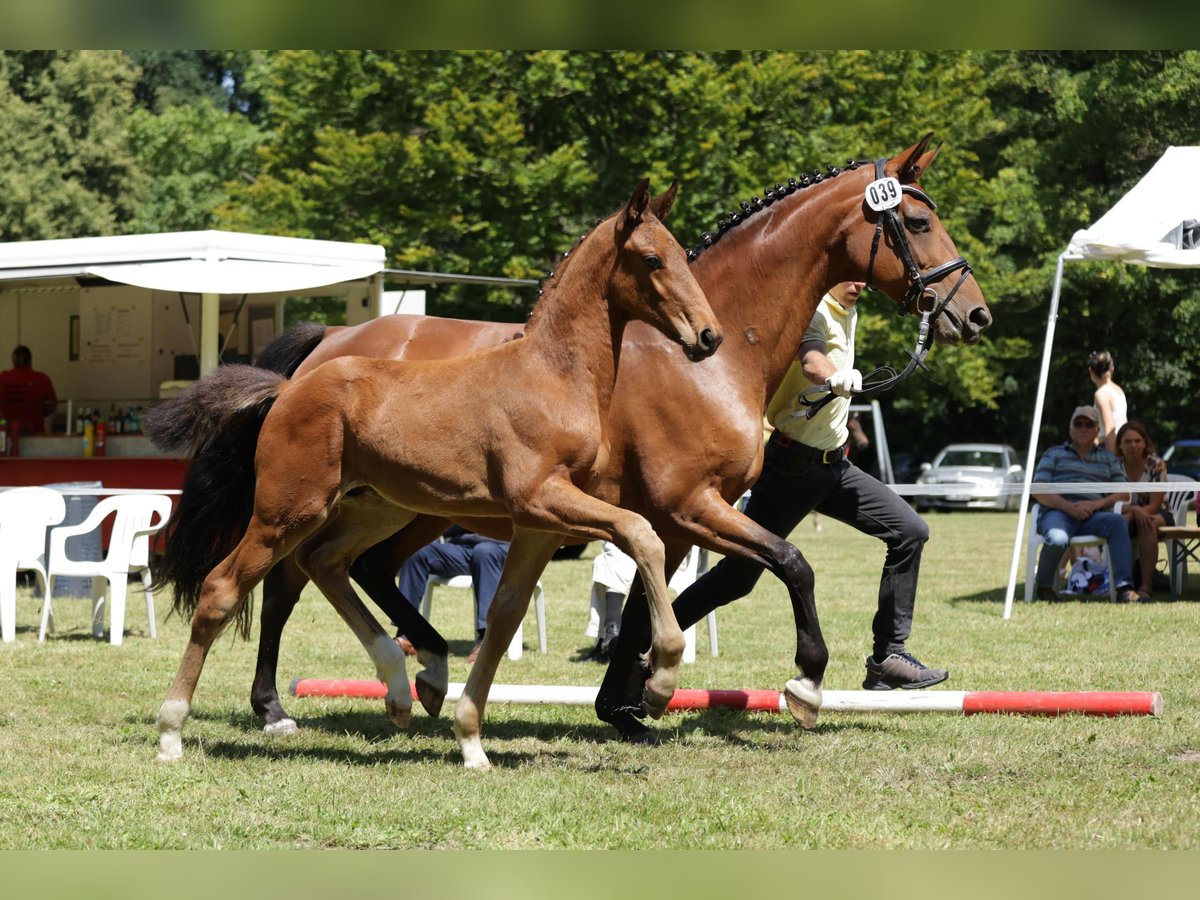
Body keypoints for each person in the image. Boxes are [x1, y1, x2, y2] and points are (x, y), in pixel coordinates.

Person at [614, 281, 948, 712]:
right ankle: (644, 643)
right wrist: (834, 377)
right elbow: (811, 359)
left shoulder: (849, 311)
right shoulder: (814, 310)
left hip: (834, 466)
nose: (860, 282)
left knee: (910, 531)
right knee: (737, 578)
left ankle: (888, 656)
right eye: (851, 273)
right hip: (792, 467)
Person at [1031, 405, 1140, 603]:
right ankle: (1044, 586)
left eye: (1088, 424)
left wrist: (1097, 504)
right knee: (1056, 539)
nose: (1083, 428)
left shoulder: (1107, 459)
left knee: (1118, 522)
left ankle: (1124, 587)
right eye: (1078, 424)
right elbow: (1038, 490)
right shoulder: (1054, 454)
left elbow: (1124, 492)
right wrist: (1069, 508)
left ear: (1097, 430)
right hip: (1058, 512)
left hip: (1094, 515)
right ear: (1070, 429)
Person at [389, 525, 509, 664]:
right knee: (416, 553)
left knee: (484, 552)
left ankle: (487, 641)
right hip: (459, 547)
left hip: (497, 547)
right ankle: (408, 636)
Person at [1114, 420, 1172, 601]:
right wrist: (1130, 512)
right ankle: (1120, 585)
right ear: (1120, 445)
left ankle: (1146, 587)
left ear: (1145, 443)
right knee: (1114, 525)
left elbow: (1155, 504)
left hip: (1159, 514)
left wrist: (1134, 513)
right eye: (1128, 441)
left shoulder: (1157, 465)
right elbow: (1110, 499)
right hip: (1123, 516)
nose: (1133, 445)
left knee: (1148, 522)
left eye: (1138, 441)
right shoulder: (1113, 466)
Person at [0, 345, 57, 435]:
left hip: (7, 435)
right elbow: (52, 407)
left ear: (13, 361)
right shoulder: (42, 379)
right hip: (35, 434)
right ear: (30, 360)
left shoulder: (3, 378)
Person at [1088, 350, 1127, 454]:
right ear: (1112, 369)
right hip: (1122, 446)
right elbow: (1124, 424)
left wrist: (1112, 460)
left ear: (1091, 371)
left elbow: (1110, 429)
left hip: (1108, 448)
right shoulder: (1118, 390)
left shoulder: (1101, 394)